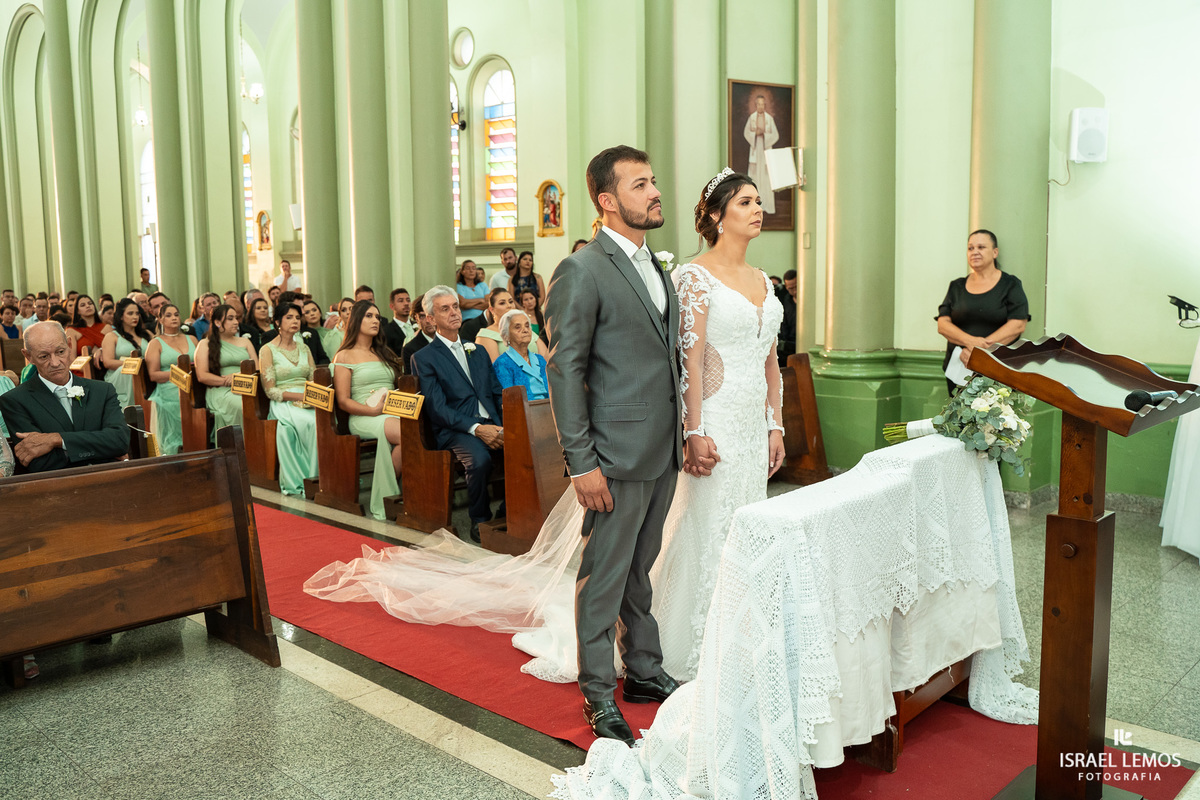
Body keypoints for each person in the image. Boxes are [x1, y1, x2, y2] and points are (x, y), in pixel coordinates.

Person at [412, 286, 504, 543]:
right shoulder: (424, 357)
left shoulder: (478, 350)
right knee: (480, 459)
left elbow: (496, 392)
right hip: (455, 429)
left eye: (455, 306)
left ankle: (508, 513)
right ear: (430, 318)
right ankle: (480, 519)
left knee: (526, 451)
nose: (454, 313)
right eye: (445, 309)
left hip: (491, 422)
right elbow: (437, 408)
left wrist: (505, 425)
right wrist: (476, 429)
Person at [0, 322, 127, 472]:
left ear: (69, 344)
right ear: (28, 356)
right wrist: (101, 448)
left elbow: (120, 441)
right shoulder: (15, 400)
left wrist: (57, 440)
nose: (55, 363)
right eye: (44, 356)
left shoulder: (102, 390)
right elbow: (39, 463)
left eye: (60, 352)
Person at [331, 301, 403, 520]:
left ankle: (394, 491)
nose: (375, 321)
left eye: (377, 317)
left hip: (391, 411)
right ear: (356, 320)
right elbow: (343, 401)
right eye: (369, 316)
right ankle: (387, 496)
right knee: (407, 433)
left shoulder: (383, 352)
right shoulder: (344, 356)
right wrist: (372, 412)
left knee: (419, 429)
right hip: (363, 416)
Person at [936, 229, 1030, 395]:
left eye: (981, 247)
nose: (975, 252)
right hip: (960, 367)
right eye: (970, 248)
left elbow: (1017, 325)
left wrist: (980, 352)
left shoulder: (1010, 284)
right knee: (960, 418)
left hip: (999, 368)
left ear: (995, 252)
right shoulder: (956, 286)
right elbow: (943, 324)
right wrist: (971, 343)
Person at [261, 303, 319, 496]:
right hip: (283, 402)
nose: (295, 321)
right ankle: (310, 478)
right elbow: (270, 390)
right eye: (289, 317)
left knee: (324, 420)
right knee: (311, 422)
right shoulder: (267, 350)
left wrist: (312, 396)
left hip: (307, 398)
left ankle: (325, 478)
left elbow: (313, 379)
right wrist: (298, 396)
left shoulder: (304, 348)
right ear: (277, 322)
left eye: (297, 317)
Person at [194, 304, 256, 442]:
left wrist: (238, 378)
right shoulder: (205, 344)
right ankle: (241, 448)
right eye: (230, 318)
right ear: (217, 322)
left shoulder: (245, 342)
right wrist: (228, 381)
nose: (236, 322)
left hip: (247, 385)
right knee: (243, 405)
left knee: (261, 403)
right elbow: (202, 375)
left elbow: (257, 369)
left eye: (236, 318)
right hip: (220, 390)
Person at [144, 303, 196, 455]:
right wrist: (180, 375)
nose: (174, 318)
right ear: (160, 320)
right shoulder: (155, 343)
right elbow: (153, 374)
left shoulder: (192, 339)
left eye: (176, 314)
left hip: (193, 384)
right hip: (168, 387)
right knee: (179, 400)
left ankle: (201, 443)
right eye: (168, 315)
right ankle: (177, 448)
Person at [100, 298, 152, 408]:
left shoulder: (146, 334)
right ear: (121, 316)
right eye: (130, 313)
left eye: (137, 313)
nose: (135, 317)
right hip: (120, 375)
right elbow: (108, 362)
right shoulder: (112, 336)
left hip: (146, 373)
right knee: (130, 371)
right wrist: (134, 364)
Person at [491, 310, 548, 400]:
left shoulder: (540, 359)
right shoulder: (502, 363)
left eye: (527, 326)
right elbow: (509, 401)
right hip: (524, 412)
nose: (525, 330)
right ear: (506, 335)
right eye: (517, 327)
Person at [475, 288, 541, 362]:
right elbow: (496, 368)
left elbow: (546, 358)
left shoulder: (526, 329)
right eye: (502, 303)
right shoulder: (486, 335)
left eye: (511, 302)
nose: (509, 306)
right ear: (492, 310)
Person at [743, 94, 779, 214]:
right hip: (755, 148)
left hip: (765, 149)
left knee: (766, 178)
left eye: (762, 104)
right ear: (755, 105)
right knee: (754, 178)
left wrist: (764, 135)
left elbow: (775, 135)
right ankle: (753, 208)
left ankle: (767, 206)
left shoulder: (769, 119)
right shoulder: (752, 118)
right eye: (758, 104)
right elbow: (747, 132)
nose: (760, 106)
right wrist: (755, 134)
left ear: (765, 105)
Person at [401, 295, 436, 373]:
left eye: (431, 314)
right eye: (422, 316)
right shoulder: (410, 349)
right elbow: (411, 382)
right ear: (416, 319)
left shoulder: (449, 340)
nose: (428, 320)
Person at [456, 261, 488, 328]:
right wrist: (480, 300)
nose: (471, 271)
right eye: (468, 268)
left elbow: (488, 304)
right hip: (467, 321)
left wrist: (467, 303)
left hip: (483, 320)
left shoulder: (483, 285)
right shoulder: (459, 286)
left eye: (473, 268)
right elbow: (462, 304)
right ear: (462, 271)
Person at [777, 268, 797, 366]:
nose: (795, 291)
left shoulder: (808, 300)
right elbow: (784, 323)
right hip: (790, 342)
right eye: (791, 288)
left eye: (796, 287)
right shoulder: (786, 301)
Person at [384, 288, 414, 353]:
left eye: (408, 300)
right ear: (392, 306)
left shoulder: (417, 325)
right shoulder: (386, 331)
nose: (406, 303)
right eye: (401, 301)